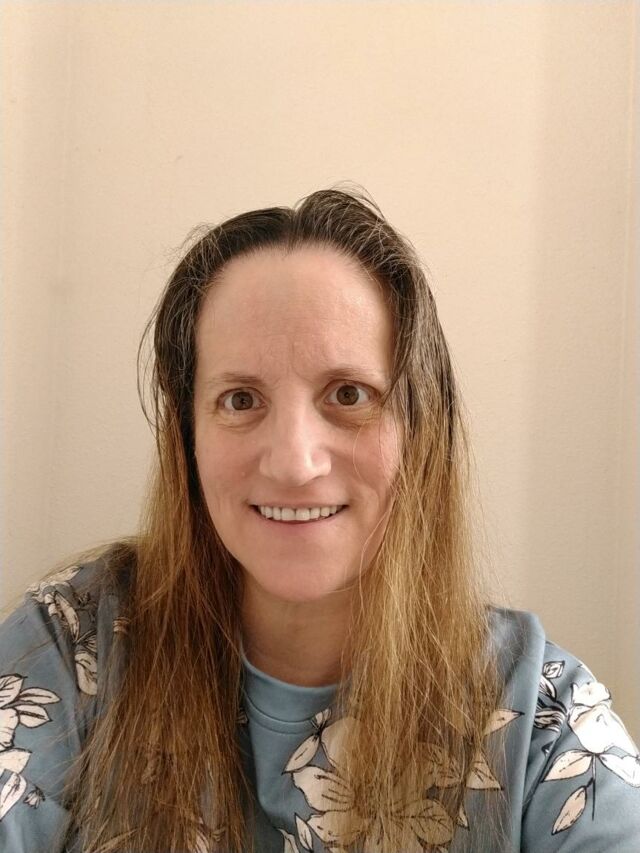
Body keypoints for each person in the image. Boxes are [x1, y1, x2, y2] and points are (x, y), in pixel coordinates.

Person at [0, 187, 638, 853]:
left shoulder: (539, 721)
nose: (294, 462)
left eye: (348, 394)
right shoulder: (74, 650)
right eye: (240, 399)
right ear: (187, 439)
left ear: (419, 431)